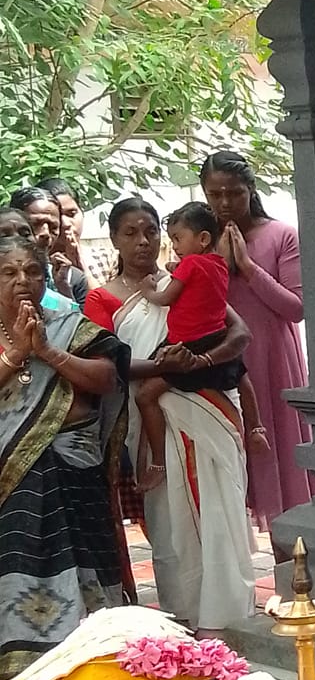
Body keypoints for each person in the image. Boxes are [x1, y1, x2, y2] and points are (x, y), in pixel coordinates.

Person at [85, 199, 257, 631]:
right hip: (153, 420)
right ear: (114, 240)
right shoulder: (102, 299)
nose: (143, 241)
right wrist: (167, 367)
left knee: (218, 505)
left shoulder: (188, 277)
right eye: (130, 233)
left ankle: (226, 612)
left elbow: (238, 333)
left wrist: (197, 364)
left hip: (206, 403)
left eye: (151, 231)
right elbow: (107, 365)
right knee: (169, 517)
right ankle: (183, 611)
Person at [0, 232, 127, 678]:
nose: (23, 280)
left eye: (33, 271)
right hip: (9, 474)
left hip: (73, 466)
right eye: (9, 272)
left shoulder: (70, 326)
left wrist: (48, 353)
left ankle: (89, 651)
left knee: (86, 553)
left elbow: (108, 379)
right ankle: (19, 660)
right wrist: (16, 353)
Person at [199, 149, 315, 533]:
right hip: (223, 363)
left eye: (233, 192)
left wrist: (248, 268)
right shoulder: (201, 239)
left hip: (273, 361)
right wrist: (216, 263)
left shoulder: (280, 235)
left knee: (281, 464)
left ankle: (292, 570)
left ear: (250, 189)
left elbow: (296, 307)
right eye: (215, 194)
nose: (224, 203)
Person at [131, 202, 257, 494]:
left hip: (184, 346)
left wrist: (147, 288)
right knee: (241, 376)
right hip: (214, 340)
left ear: (202, 239)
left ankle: (158, 462)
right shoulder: (219, 266)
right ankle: (257, 427)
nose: (173, 246)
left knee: (145, 395)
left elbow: (165, 299)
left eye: (178, 239)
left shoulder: (190, 265)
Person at [9, 187, 88, 307]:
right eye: (35, 224)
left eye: (53, 226)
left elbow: (81, 324)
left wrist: (63, 288)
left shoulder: (72, 278)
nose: (46, 233)